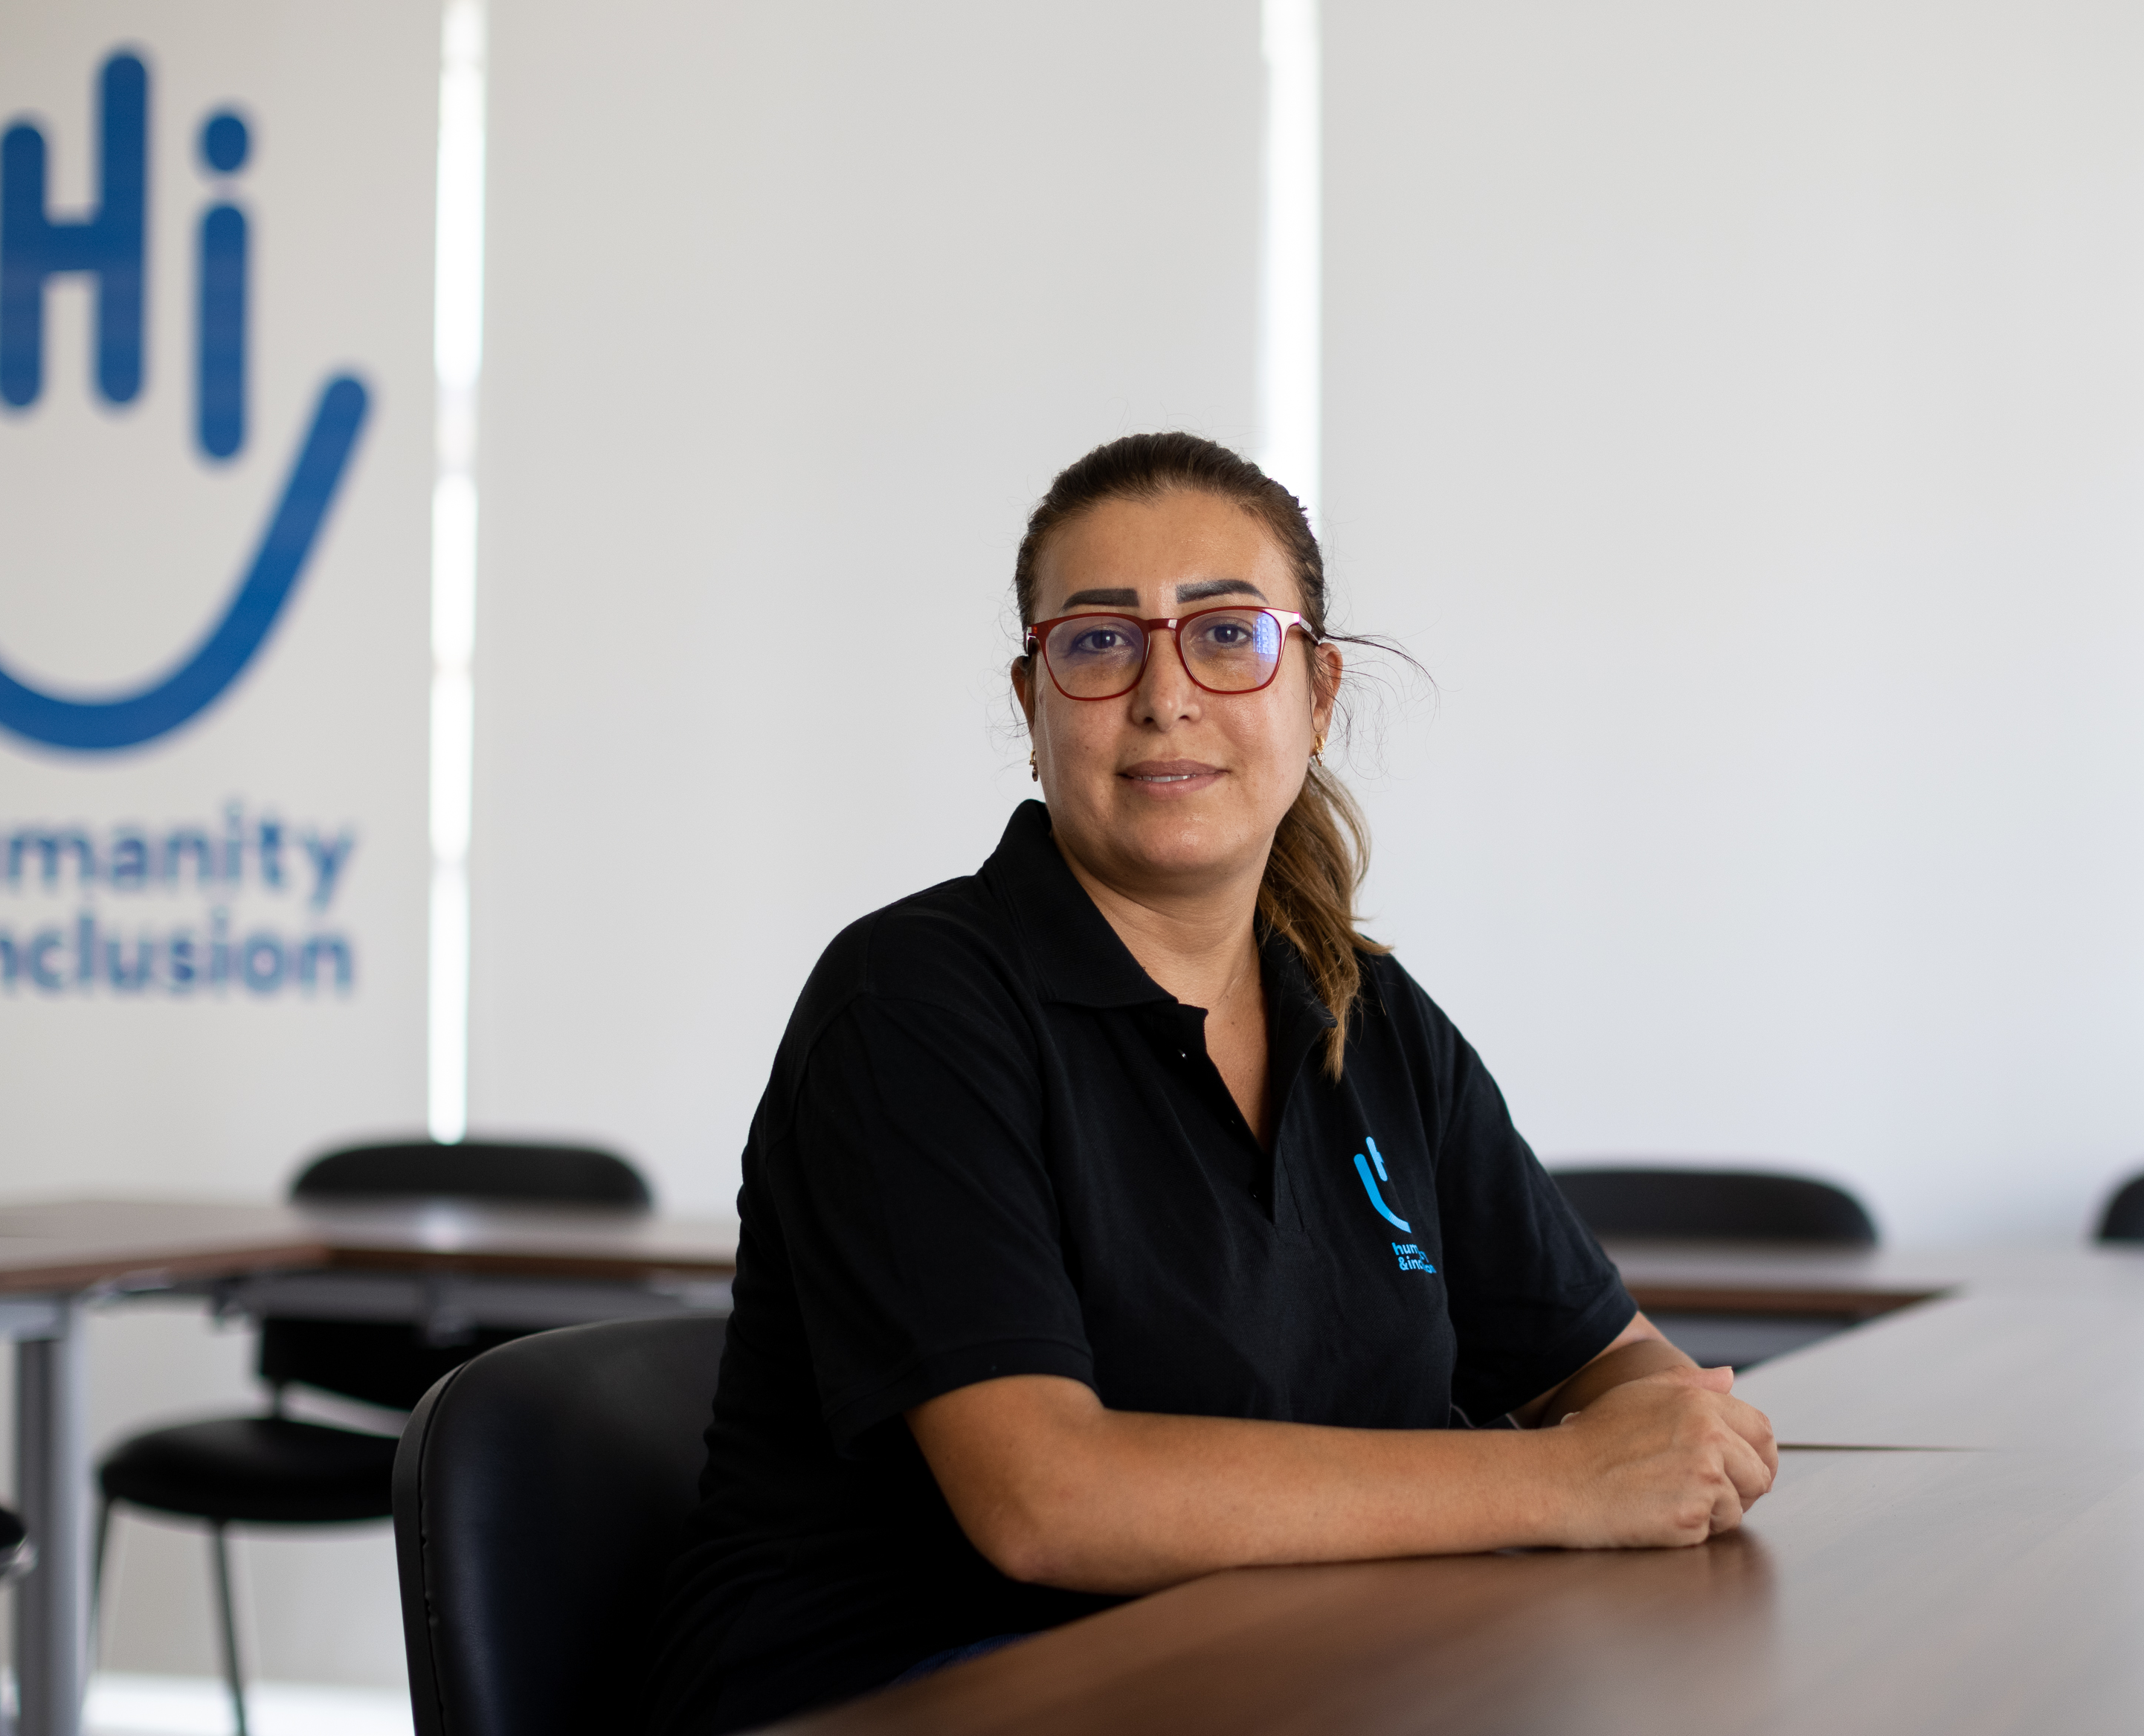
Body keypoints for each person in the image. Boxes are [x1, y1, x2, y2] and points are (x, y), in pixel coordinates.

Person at [642, 433, 1777, 1735]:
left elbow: (1609, 1362)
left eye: (1228, 635)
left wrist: (1664, 1439)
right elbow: (1047, 1500)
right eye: (1099, 641)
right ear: (1032, 704)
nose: (1164, 695)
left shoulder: (1371, 1016)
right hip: (909, 1691)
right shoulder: (912, 1004)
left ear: (1317, 691)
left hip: (1273, 1678)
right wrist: (1570, 1486)